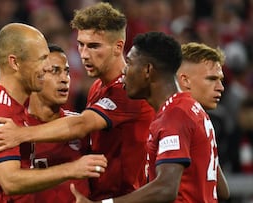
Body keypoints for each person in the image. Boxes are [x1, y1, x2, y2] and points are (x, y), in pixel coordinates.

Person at [0, 2, 155, 201]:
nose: (84, 54)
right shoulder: (98, 88)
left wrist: (21, 134)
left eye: (94, 46)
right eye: (81, 44)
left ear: (118, 47)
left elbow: (81, 125)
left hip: (123, 198)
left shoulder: (130, 90)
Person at [0, 23, 107, 202]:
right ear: (15, 62)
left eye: (65, 71)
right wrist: (72, 169)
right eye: (41, 59)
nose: (45, 68)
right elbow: (10, 181)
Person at [71, 33, 230, 202]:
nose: (124, 70)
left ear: (147, 70)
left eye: (130, 63)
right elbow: (222, 191)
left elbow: (166, 188)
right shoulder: (191, 109)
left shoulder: (174, 116)